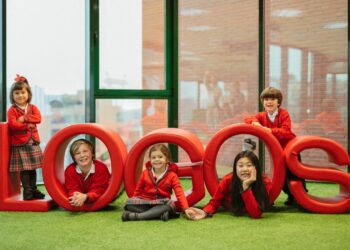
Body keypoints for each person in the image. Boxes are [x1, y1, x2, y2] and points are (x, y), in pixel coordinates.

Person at [244, 86, 306, 206]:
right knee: (280, 176)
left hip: (290, 150)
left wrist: (269, 130)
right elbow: (247, 118)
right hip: (276, 152)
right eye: (266, 99)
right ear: (263, 102)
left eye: (272, 99)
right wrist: (254, 122)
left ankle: (300, 196)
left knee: (294, 173)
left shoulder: (283, 114)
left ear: (278, 102)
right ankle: (288, 195)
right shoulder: (262, 116)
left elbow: (286, 131)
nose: (269, 102)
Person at [122, 144, 197, 221]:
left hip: (162, 203)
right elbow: (138, 190)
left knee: (169, 205)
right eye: (153, 157)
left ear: (167, 160)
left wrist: (186, 208)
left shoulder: (172, 175)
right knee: (129, 204)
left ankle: (138, 217)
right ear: (150, 160)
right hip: (146, 202)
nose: (156, 160)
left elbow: (179, 193)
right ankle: (158, 215)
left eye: (160, 157)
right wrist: (134, 200)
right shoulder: (145, 173)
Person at [194, 151, 271, 220]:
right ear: (235, 168)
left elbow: (256, 214)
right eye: (240, 166)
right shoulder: (227, 180)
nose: (245, 169)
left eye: (249, 165)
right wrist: (204, 212)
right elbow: (214, 203)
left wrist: (246, 186)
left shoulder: (264, 182)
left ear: (256, 167)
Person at [7, 74, 46, 200]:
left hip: (32, 143)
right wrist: (28, 126)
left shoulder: (33, 108)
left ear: (28, 94)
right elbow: (13, 125)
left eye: (23, 92)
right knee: (24, 170)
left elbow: (38, 119)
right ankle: (27, 191)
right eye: (16, 93)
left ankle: (34, 190)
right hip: (20, 144)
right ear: (12, 96)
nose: (20, 95)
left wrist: (24, 118)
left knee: (33, 168)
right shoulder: (12, 110)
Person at [64, 139, 111, 207]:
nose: (82, 155)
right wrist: (76, 198)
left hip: (99, 198)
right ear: (74, 157)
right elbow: (72, 189)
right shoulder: (70, 170)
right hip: (83, 196)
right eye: (77, 153)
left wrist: (85, 197)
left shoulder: (101, 168)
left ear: (92, 153)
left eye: (85, 151)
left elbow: (99, 190)